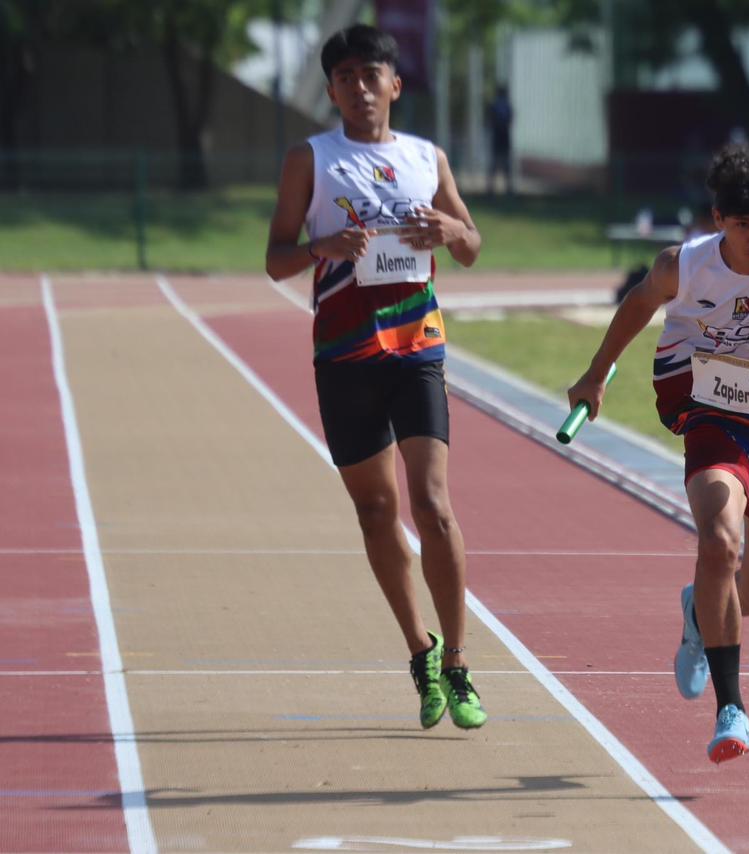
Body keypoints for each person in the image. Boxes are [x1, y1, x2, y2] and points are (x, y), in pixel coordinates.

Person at [566, 143, 749, 763]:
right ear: (717, 220)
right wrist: (595, 375)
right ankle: (733, 710)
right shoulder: (684, 265)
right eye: (742, 225)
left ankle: (700, 608)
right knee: (719, 542)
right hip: (712, 412)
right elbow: (638, 305)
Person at [264, 24, 487, 729]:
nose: (361, 87)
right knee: (376, 511)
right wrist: (319, 247)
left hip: (417, 345)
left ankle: (458, 661)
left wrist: (448, 233)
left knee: (433, 503)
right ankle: (418, 650)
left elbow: (473, 246)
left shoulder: (427, 157)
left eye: (373, 75)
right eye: (347, 76)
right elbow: (275, 259)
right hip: (344, 353)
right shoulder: (312, 158)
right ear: (332, 90)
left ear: (396, 85)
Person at [487, 84, 514, 195]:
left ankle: (494, 188)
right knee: (500, 164)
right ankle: (497, 188)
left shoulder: (498, 106)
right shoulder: (503, 106)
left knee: (499, 164)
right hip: (502, 137)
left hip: (499, 137)